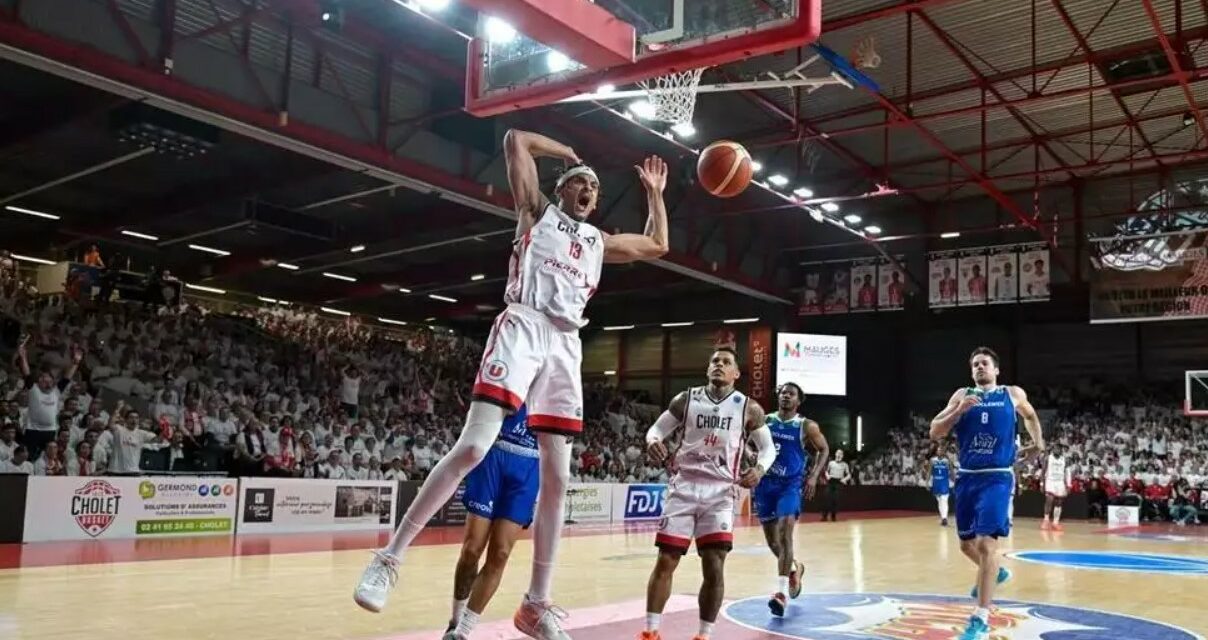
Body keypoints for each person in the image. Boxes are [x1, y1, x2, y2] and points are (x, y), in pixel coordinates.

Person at [354, 128, 671, 640]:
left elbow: (657, 243)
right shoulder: (536, 212)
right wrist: (566, 149)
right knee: (475, 445)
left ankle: (535, 604)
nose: (590, 189)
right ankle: (389, 559)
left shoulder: (596, 241)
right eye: (580, 183)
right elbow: (514, 139)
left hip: (567, 346)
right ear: (563, 189)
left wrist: (655, 193)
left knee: (560, 479)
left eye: (595, 186)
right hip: (523, 325)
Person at [638, 348, 771, 640]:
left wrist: (759, 470)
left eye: (726, 363)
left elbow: (768, 449)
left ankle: (703, 635)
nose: (719, 366)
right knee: (666, 560)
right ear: (707, 368)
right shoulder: (686, 399)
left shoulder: (748, 407)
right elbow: (656, 431)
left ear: (736, 373)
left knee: (714, 565)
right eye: (715, 361)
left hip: (721, 493)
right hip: (683, 487)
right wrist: (653, 442)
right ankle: (650, 632)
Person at [929, 346, 1043, 640]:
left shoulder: (1012, 394)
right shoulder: (961, 395)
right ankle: (995, 572)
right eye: (975, 364)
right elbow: (935, 431)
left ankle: (980, 617)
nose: (980, 368)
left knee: (986, 545)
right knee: (966, 546)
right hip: (967, 478)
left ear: (996, 370)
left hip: (997, 477)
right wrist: (958, 410)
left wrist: (1038, 443)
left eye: (985, 364)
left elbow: (1030, 416)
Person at [444, 405, 539, 640]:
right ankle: (454, 620)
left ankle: (462, 632)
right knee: (471, 549)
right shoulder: (524, 369)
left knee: (500, 553)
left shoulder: (558, 381)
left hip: (530, 464)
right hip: (494, 454)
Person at [753, 382, 828, 616]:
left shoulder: (806, 426)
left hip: (790, 486)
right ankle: (796, 568)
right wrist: (752, 462)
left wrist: (814, 476)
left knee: (785, 534)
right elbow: (746, 444)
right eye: (783, 392)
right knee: (773, 543)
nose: (786, 396)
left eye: (791, 394)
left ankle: (782, 593)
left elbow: (823, 449)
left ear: (798, 400)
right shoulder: (765, 420)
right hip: (765, 485)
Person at [924, 442, 954, 526]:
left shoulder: (947, 461)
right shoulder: (932, 460)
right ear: (936, 452)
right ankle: (943, 517)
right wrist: (927, 482)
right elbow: (929, 472)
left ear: (944, 452)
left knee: (944, 499)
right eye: (938, 450)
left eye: (941, 450)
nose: (940, 451)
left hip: (944, 482)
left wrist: (955, 481)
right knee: (939, 501)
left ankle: (944, 518)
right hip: (936, 482)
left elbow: (951, 472)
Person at [1041, 445, 1070, 531]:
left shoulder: (1065, 459)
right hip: (1050, 481)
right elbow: (1043, 471)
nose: (1057, 450)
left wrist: (1068, 485)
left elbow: (1067, 473)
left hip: (1060, 482)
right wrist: (1042, 483)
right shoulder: (1047, 458)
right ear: (1053, 449)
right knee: (1049, 499)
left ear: (1061, 450)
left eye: (1059, 449)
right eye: (1056, 448)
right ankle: (1046, 520)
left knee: (1059, 502)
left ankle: (1055, 522)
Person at [821, 449, 851, 522]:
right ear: (835, 454)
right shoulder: (831, 463)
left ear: (842, 456)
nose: (839, 455)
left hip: (838, 482)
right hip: (831, 481)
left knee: (835, 500)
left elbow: (849, 475)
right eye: (838, 453)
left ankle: (833, 516)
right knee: (827, 499)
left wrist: (845, 479)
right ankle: (824, 516)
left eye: (841, 454)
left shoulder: (845, 464)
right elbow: (826, 472)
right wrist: (827, 475)